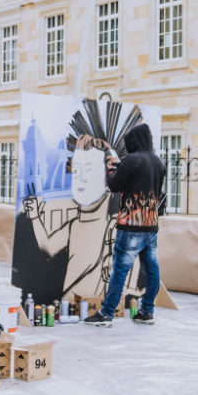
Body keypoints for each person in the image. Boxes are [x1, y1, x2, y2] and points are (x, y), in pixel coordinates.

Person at [84, 123, 165, 327]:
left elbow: (113, 186)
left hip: (130, 227)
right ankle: (147, 312)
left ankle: (106, 313)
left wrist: (112, 166)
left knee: (120, 271)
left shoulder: (130, 160)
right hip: (151, 227)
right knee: (152, 271)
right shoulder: (158, 162)